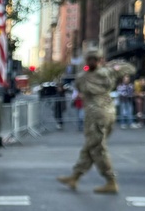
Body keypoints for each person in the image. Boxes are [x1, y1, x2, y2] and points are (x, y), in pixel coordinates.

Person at [56, 51, 135, 193]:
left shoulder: (83, 77)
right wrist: (111, 65)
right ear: (101, 60)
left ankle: (111, 180)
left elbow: (79, 89)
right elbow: (129, 68)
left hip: (95, 114)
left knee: (97, 148)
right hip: (109, 111)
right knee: (90, 146)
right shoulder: (109, 72)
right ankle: (75, 176)